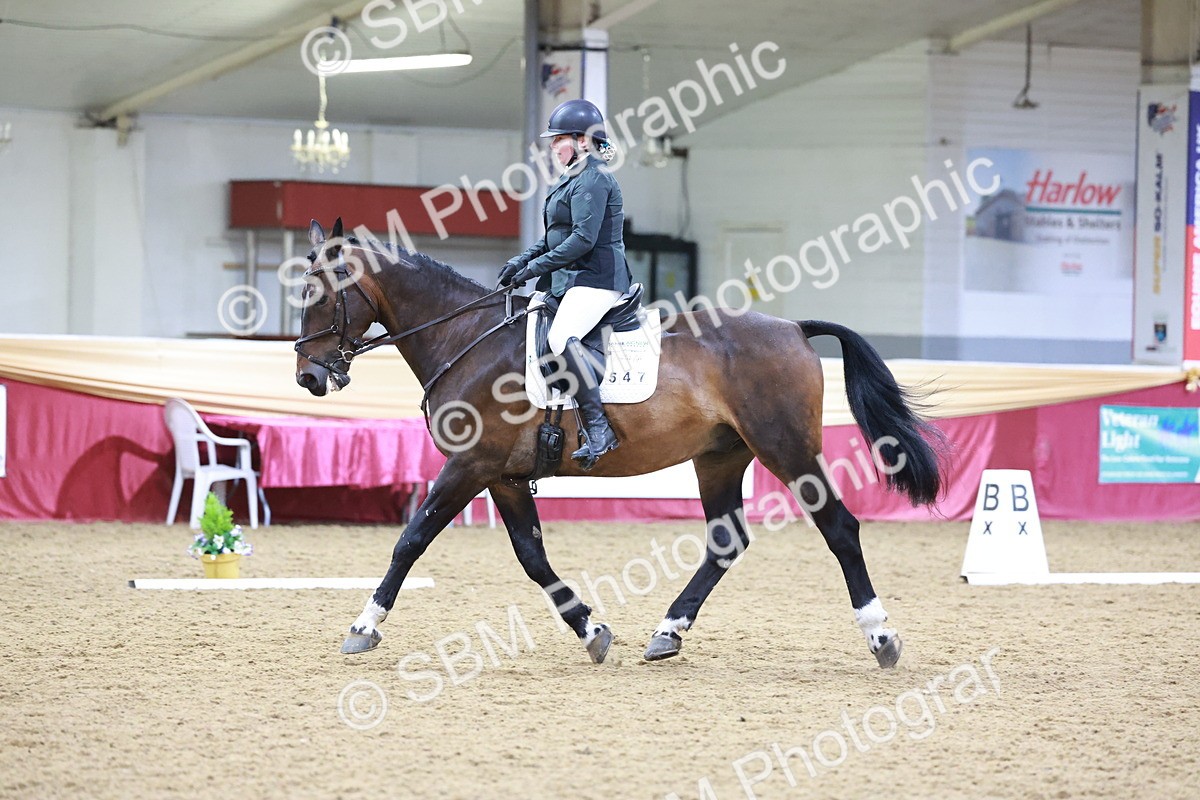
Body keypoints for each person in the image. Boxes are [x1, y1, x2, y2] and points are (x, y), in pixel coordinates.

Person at [498, 98, 632, 470]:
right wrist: (521, 261)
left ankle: (599, 428)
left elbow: (582, 241)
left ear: (582, 140)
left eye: (559, 139)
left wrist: (532, 270)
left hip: (597, 278)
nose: (553, 147)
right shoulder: (569, 178)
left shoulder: (595, 178)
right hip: (571, 278)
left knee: (559, 339)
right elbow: (554, 237)